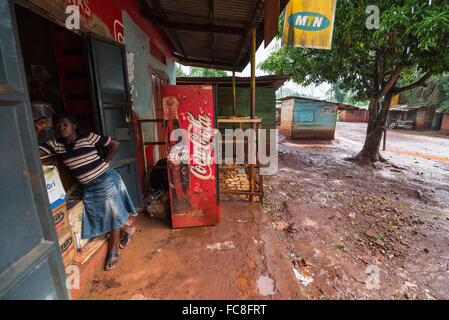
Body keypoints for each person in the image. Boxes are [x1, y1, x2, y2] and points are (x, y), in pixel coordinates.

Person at [36, 113, 137, 271]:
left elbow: (115, 144)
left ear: (74, 125)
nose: (61, 128)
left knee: (112, 213)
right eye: (58, 126)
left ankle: (113, 250)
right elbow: (33, 152)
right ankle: (127, 229)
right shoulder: (56, 145)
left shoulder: (88, 138)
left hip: (105, 179)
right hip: (88, 186)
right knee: (97, 214)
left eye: (65, 124)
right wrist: (37, 129)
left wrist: (106, 161)